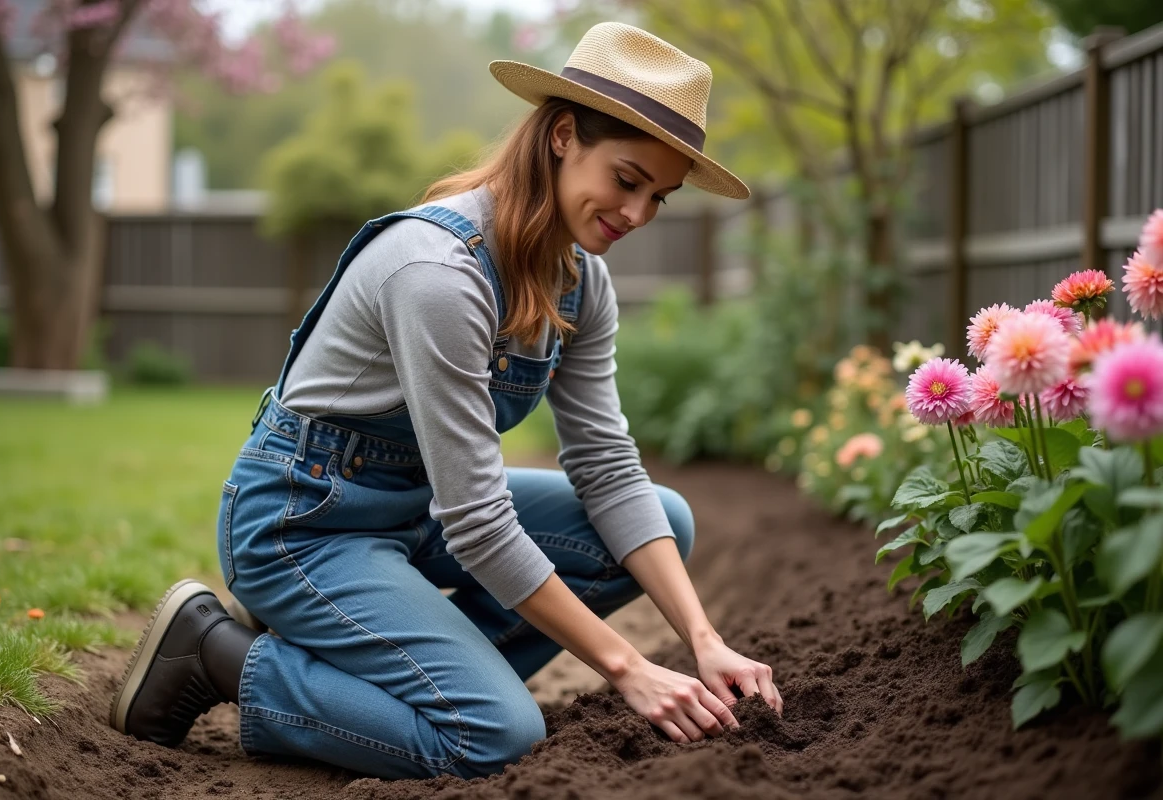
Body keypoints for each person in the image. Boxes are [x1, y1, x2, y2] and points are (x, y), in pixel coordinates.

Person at [108, 21, 782, 780]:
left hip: (412, 512)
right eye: (627, 180)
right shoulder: (438, 272)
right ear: (563, 135)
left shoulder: (579, 282)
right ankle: (219, 654)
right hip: (305, 522)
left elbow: (606, 464)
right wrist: (627, 668)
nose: (636, 214)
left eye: (659, 196)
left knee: (667, 519)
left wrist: (702, 638)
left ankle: (395, 680)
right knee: (493, 736)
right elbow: (479, 523)